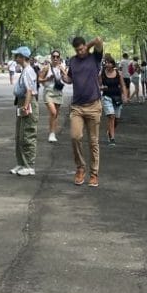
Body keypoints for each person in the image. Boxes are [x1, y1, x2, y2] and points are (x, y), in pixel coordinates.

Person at [62, 35, 104, 187]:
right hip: (77, 106)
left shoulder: (95, 58)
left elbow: (99, 40)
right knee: (75, 136)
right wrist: (64, 77)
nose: (80, 52)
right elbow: (70, 80)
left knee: (93, 142)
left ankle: (94, 174)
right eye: (77, 50)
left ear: (85, 46)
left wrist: (89, 45)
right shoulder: (73, 61)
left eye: (81, 49)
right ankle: (80, 168)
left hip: (93, 105)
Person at [10, 45, 38, 176]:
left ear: (22, 57)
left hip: (27, 103)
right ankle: (21, 163)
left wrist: (26, 106)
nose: (15, 58)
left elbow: (29, 91)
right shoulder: (24, 70)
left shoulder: (28, 71)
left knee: (27, 135)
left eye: (17, 56)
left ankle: (29, 165)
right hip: (22, 102)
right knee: (19, 135)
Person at [39, 49, 67, 142]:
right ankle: (51, 133)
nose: (55, 58)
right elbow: (39, 79)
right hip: (49, 92)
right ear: (51, 57)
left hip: (58, 92)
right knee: (53, 112)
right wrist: (47, 78)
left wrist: (63, 71)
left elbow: (67, 78)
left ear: (59, 58)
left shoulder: (61, 67)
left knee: (55, 115)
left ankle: (53, 133)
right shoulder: (47, 67)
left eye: (57, 57)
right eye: (53, 56)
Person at [99, 54, 128, 145]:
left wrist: (125, 95)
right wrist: (102, 87)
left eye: (108, 63)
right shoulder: (102, 73)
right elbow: (98, 85)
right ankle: (112, 138)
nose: (107, 64)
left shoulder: (118, 73)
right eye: (105, 63)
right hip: (107, 97)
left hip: (117, 97)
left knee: (116, 120)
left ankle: (110, 131)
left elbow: (123, 85)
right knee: (111, 116)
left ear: (113, 64)